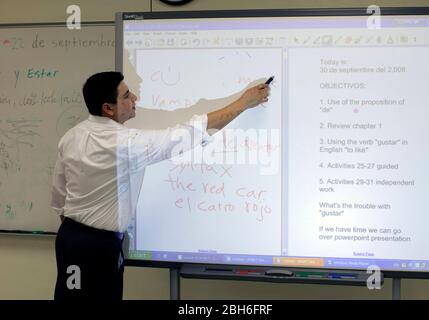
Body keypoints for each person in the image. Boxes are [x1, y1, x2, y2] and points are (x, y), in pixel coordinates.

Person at [51, 71, 270, 300]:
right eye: (126, 95)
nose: (134, 97)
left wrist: (77, 231)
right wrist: (244, 103)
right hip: (96, 247)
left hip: (71, 238)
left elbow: (59, 195)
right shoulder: (125, 144)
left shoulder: (72, 136)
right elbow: (186, 134)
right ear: (109, 108)